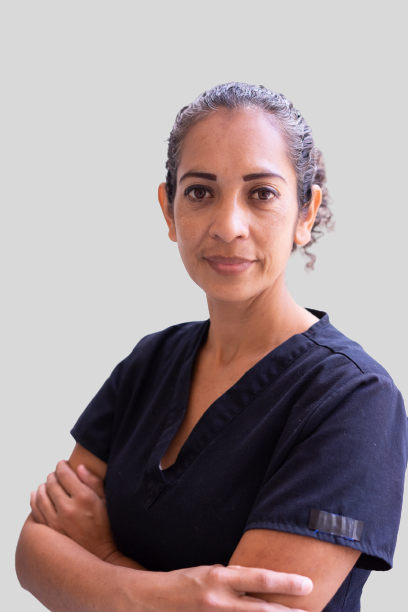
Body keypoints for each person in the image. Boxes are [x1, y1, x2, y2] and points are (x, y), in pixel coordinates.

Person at [16, 83, 407, 612]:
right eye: (200, 192)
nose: (228, 226)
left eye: (261, 193)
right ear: (169, 210)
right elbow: (33, 550)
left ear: (306, 213)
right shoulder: (149, 362)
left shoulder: (354, 399)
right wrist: (170, 595)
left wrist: (102, 557)